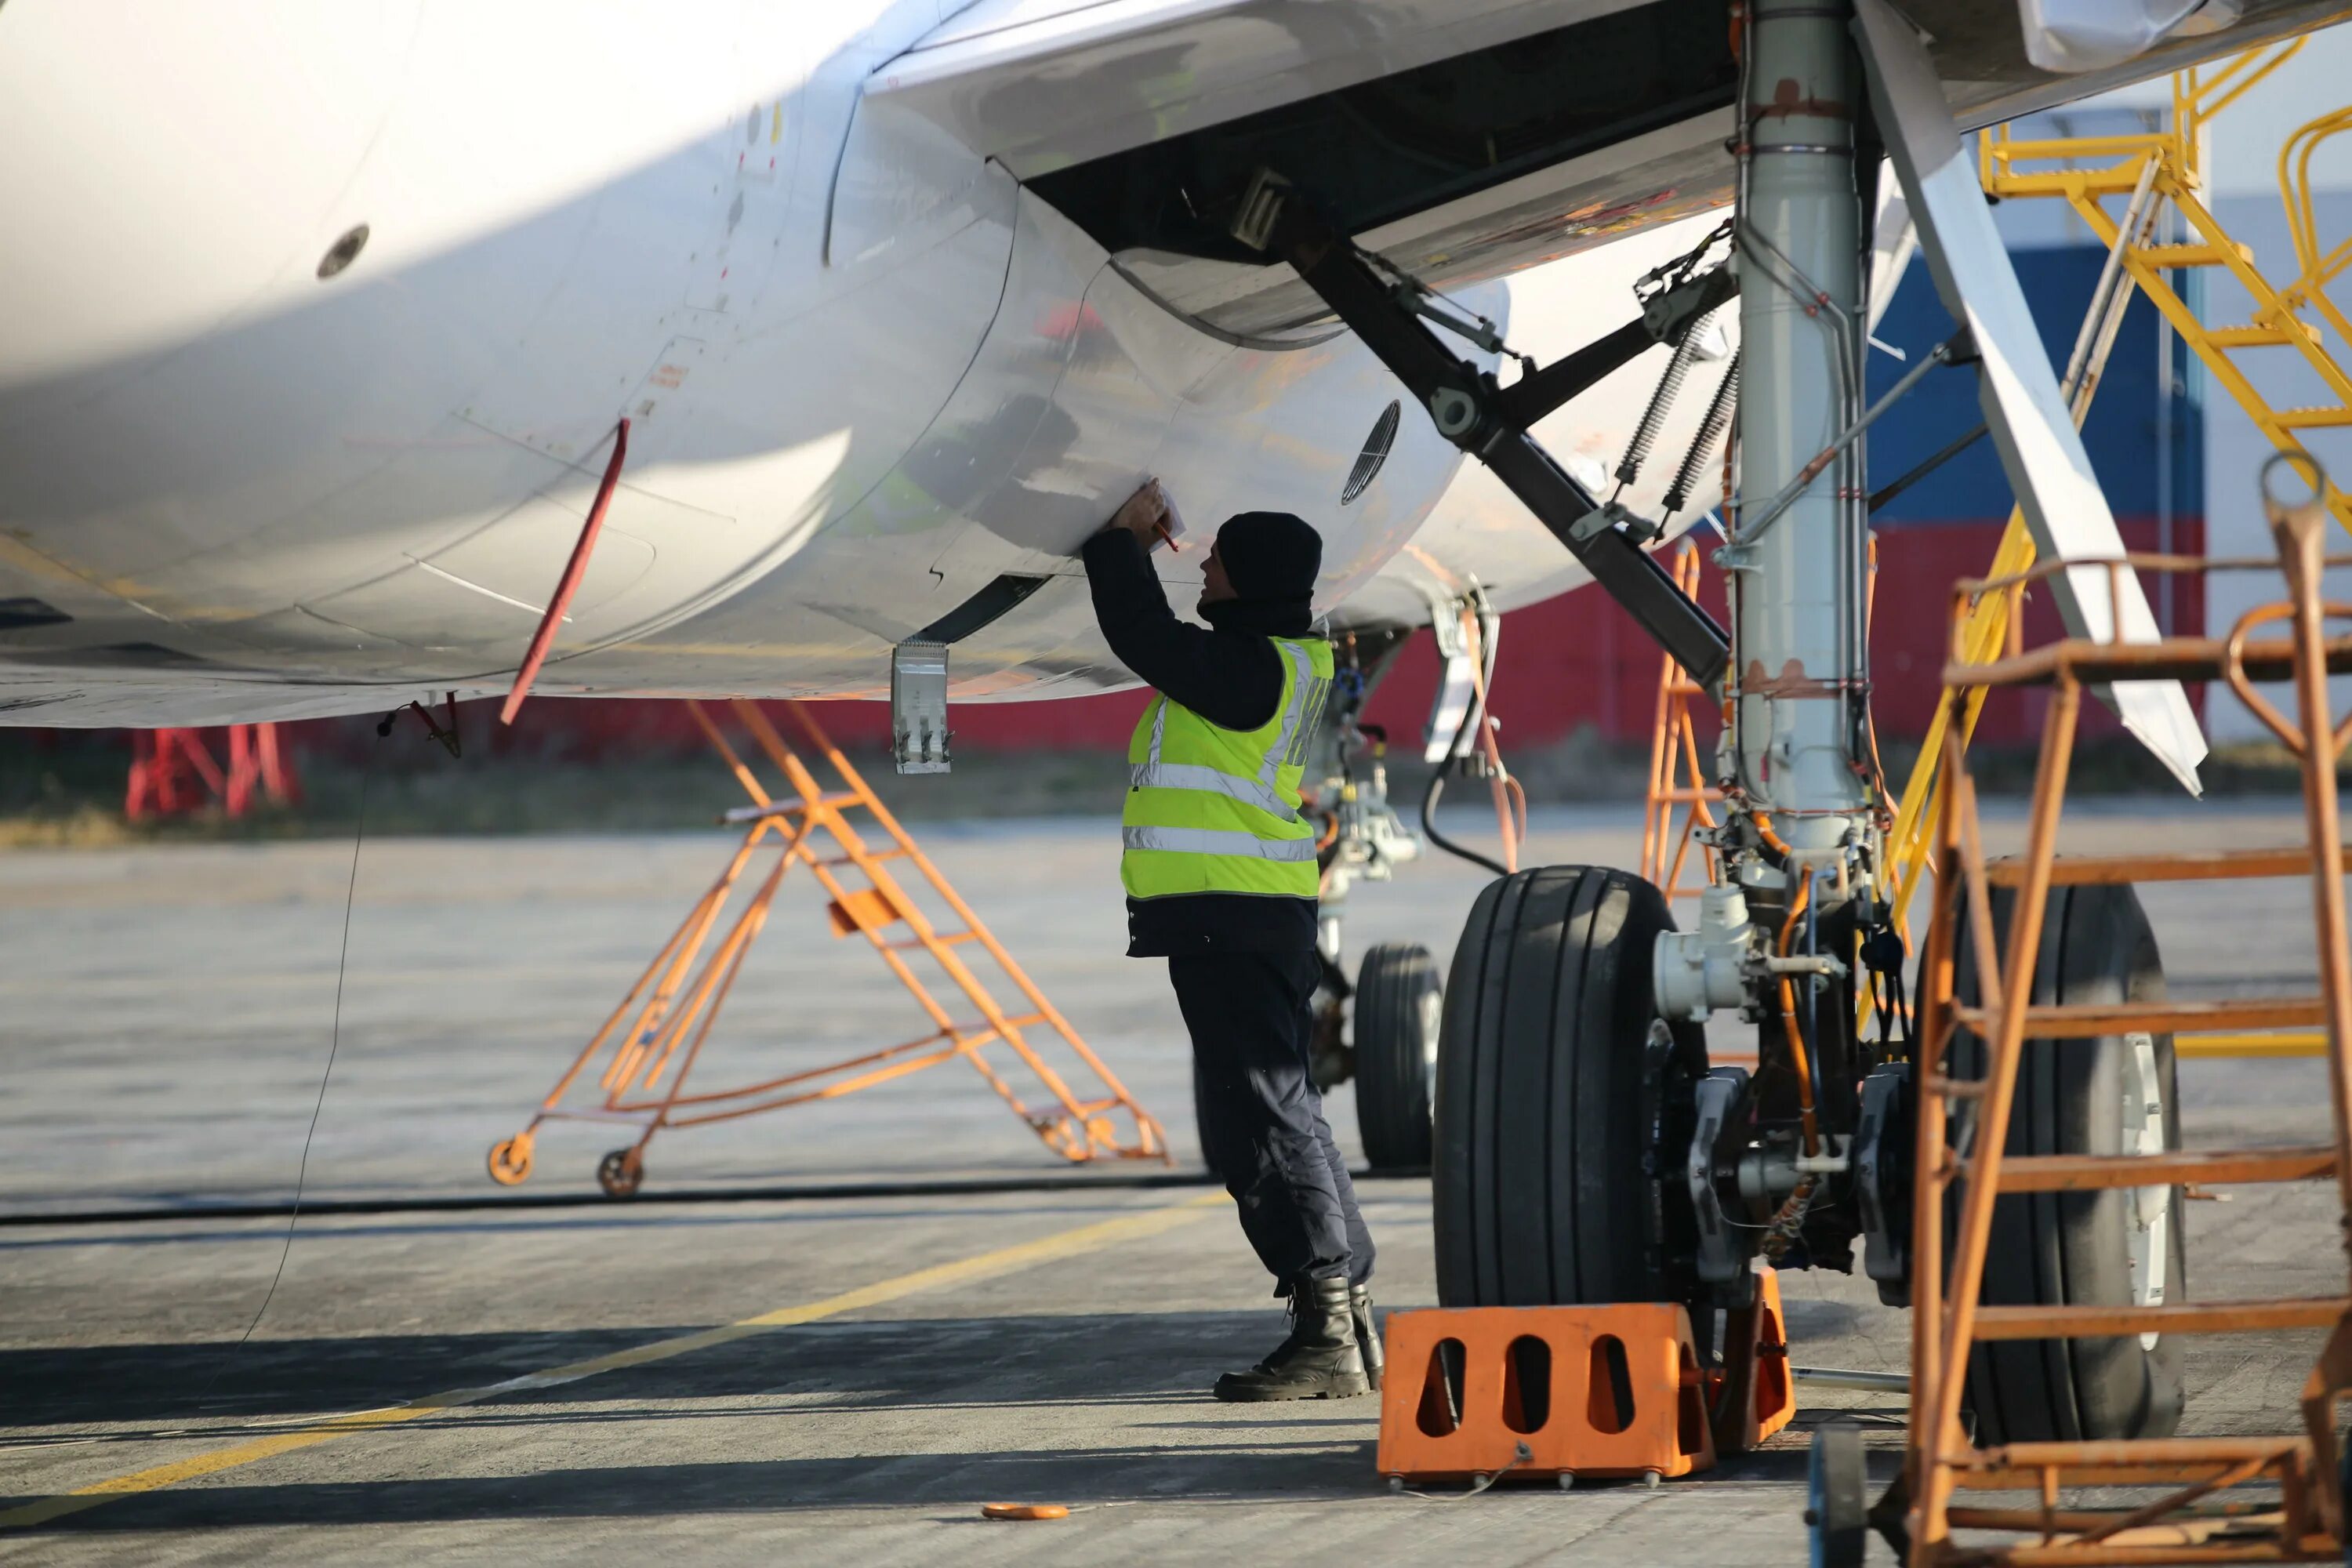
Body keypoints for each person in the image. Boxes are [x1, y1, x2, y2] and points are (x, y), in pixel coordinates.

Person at [1080, 479, 1379, 1402]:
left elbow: (1141, 635)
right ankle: (1343, 1306)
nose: (1201, 564)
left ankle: (1327, 1321)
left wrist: (1118, 542)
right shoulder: (1276, 659)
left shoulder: (1251, 674)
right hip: (1248, 910)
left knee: (1264, 1112)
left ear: (1247, 579)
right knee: (1282, 1107)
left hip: (1230, 911)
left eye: (1217, 559)